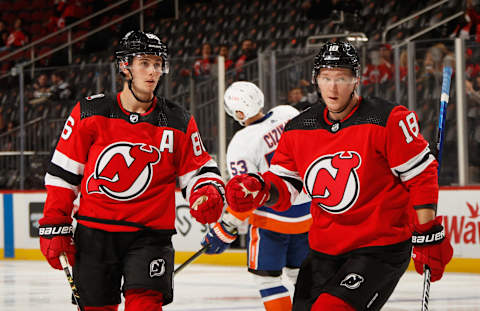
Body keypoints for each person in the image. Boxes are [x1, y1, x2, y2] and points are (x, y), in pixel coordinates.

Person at [224, 41, 454, 311]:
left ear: (356, 79)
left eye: (342, 78)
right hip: (324, 250)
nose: (333, 88)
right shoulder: (298, 128)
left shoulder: (387, 119)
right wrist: (259, 187)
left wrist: (427, 230)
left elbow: (421, 175)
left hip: (378, 248)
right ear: (316, 80)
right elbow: (286, 184)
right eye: (326, 78)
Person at [38, 30, 226, 311]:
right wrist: (55, 222)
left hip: (150, 237)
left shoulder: (178, 120)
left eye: (158, 64)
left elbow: (199, 172)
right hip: (94, 236)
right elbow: (63, 175)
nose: (153, 71)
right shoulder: (90, 112)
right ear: (125, 66)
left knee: (146, 306)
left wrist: (207, 192)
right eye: (144, 63)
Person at [201, 81, 311, 311]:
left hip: (272, 220)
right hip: (308, 214)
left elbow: (246, 196)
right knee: (302, 276)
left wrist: (225, 229)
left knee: (268, 280)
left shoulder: (240, 144)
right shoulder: (288, 112)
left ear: (238, 112)